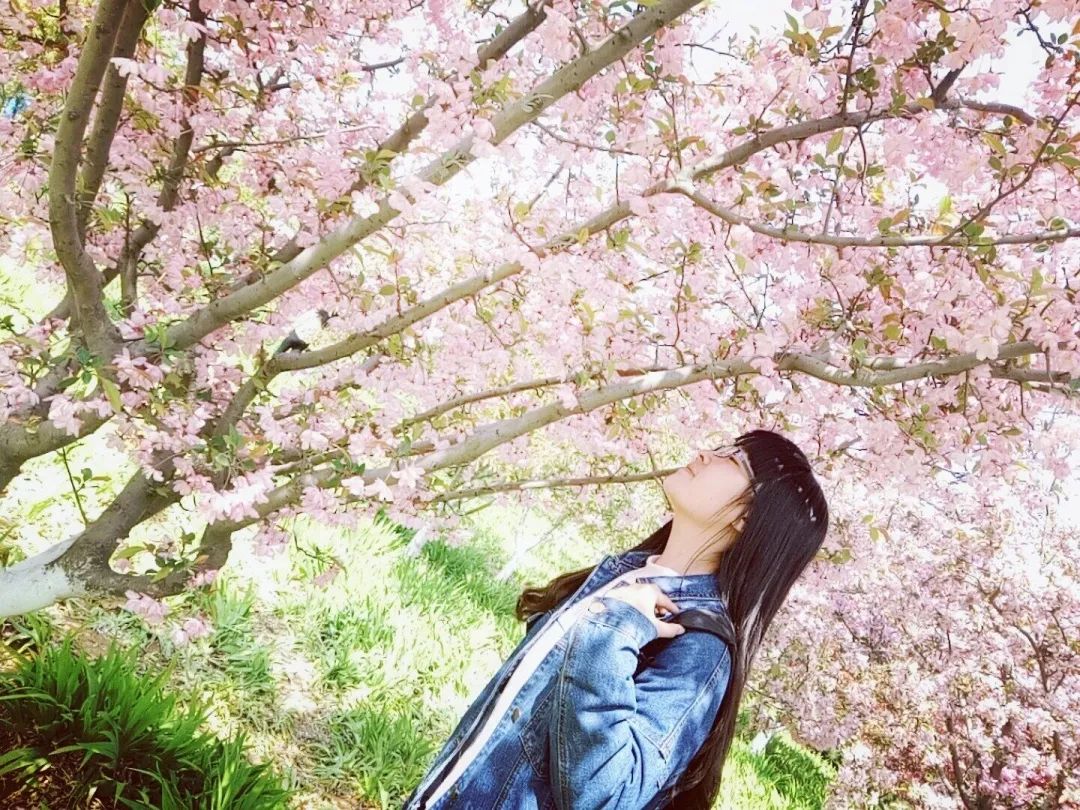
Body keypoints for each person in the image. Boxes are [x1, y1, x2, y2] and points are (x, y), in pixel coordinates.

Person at [402, 429, 829, 810]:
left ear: (747, 517)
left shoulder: (699, 644)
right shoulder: (625, 576)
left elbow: (610, 795)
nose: (705, 454)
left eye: (733, 459)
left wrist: (616, 631)